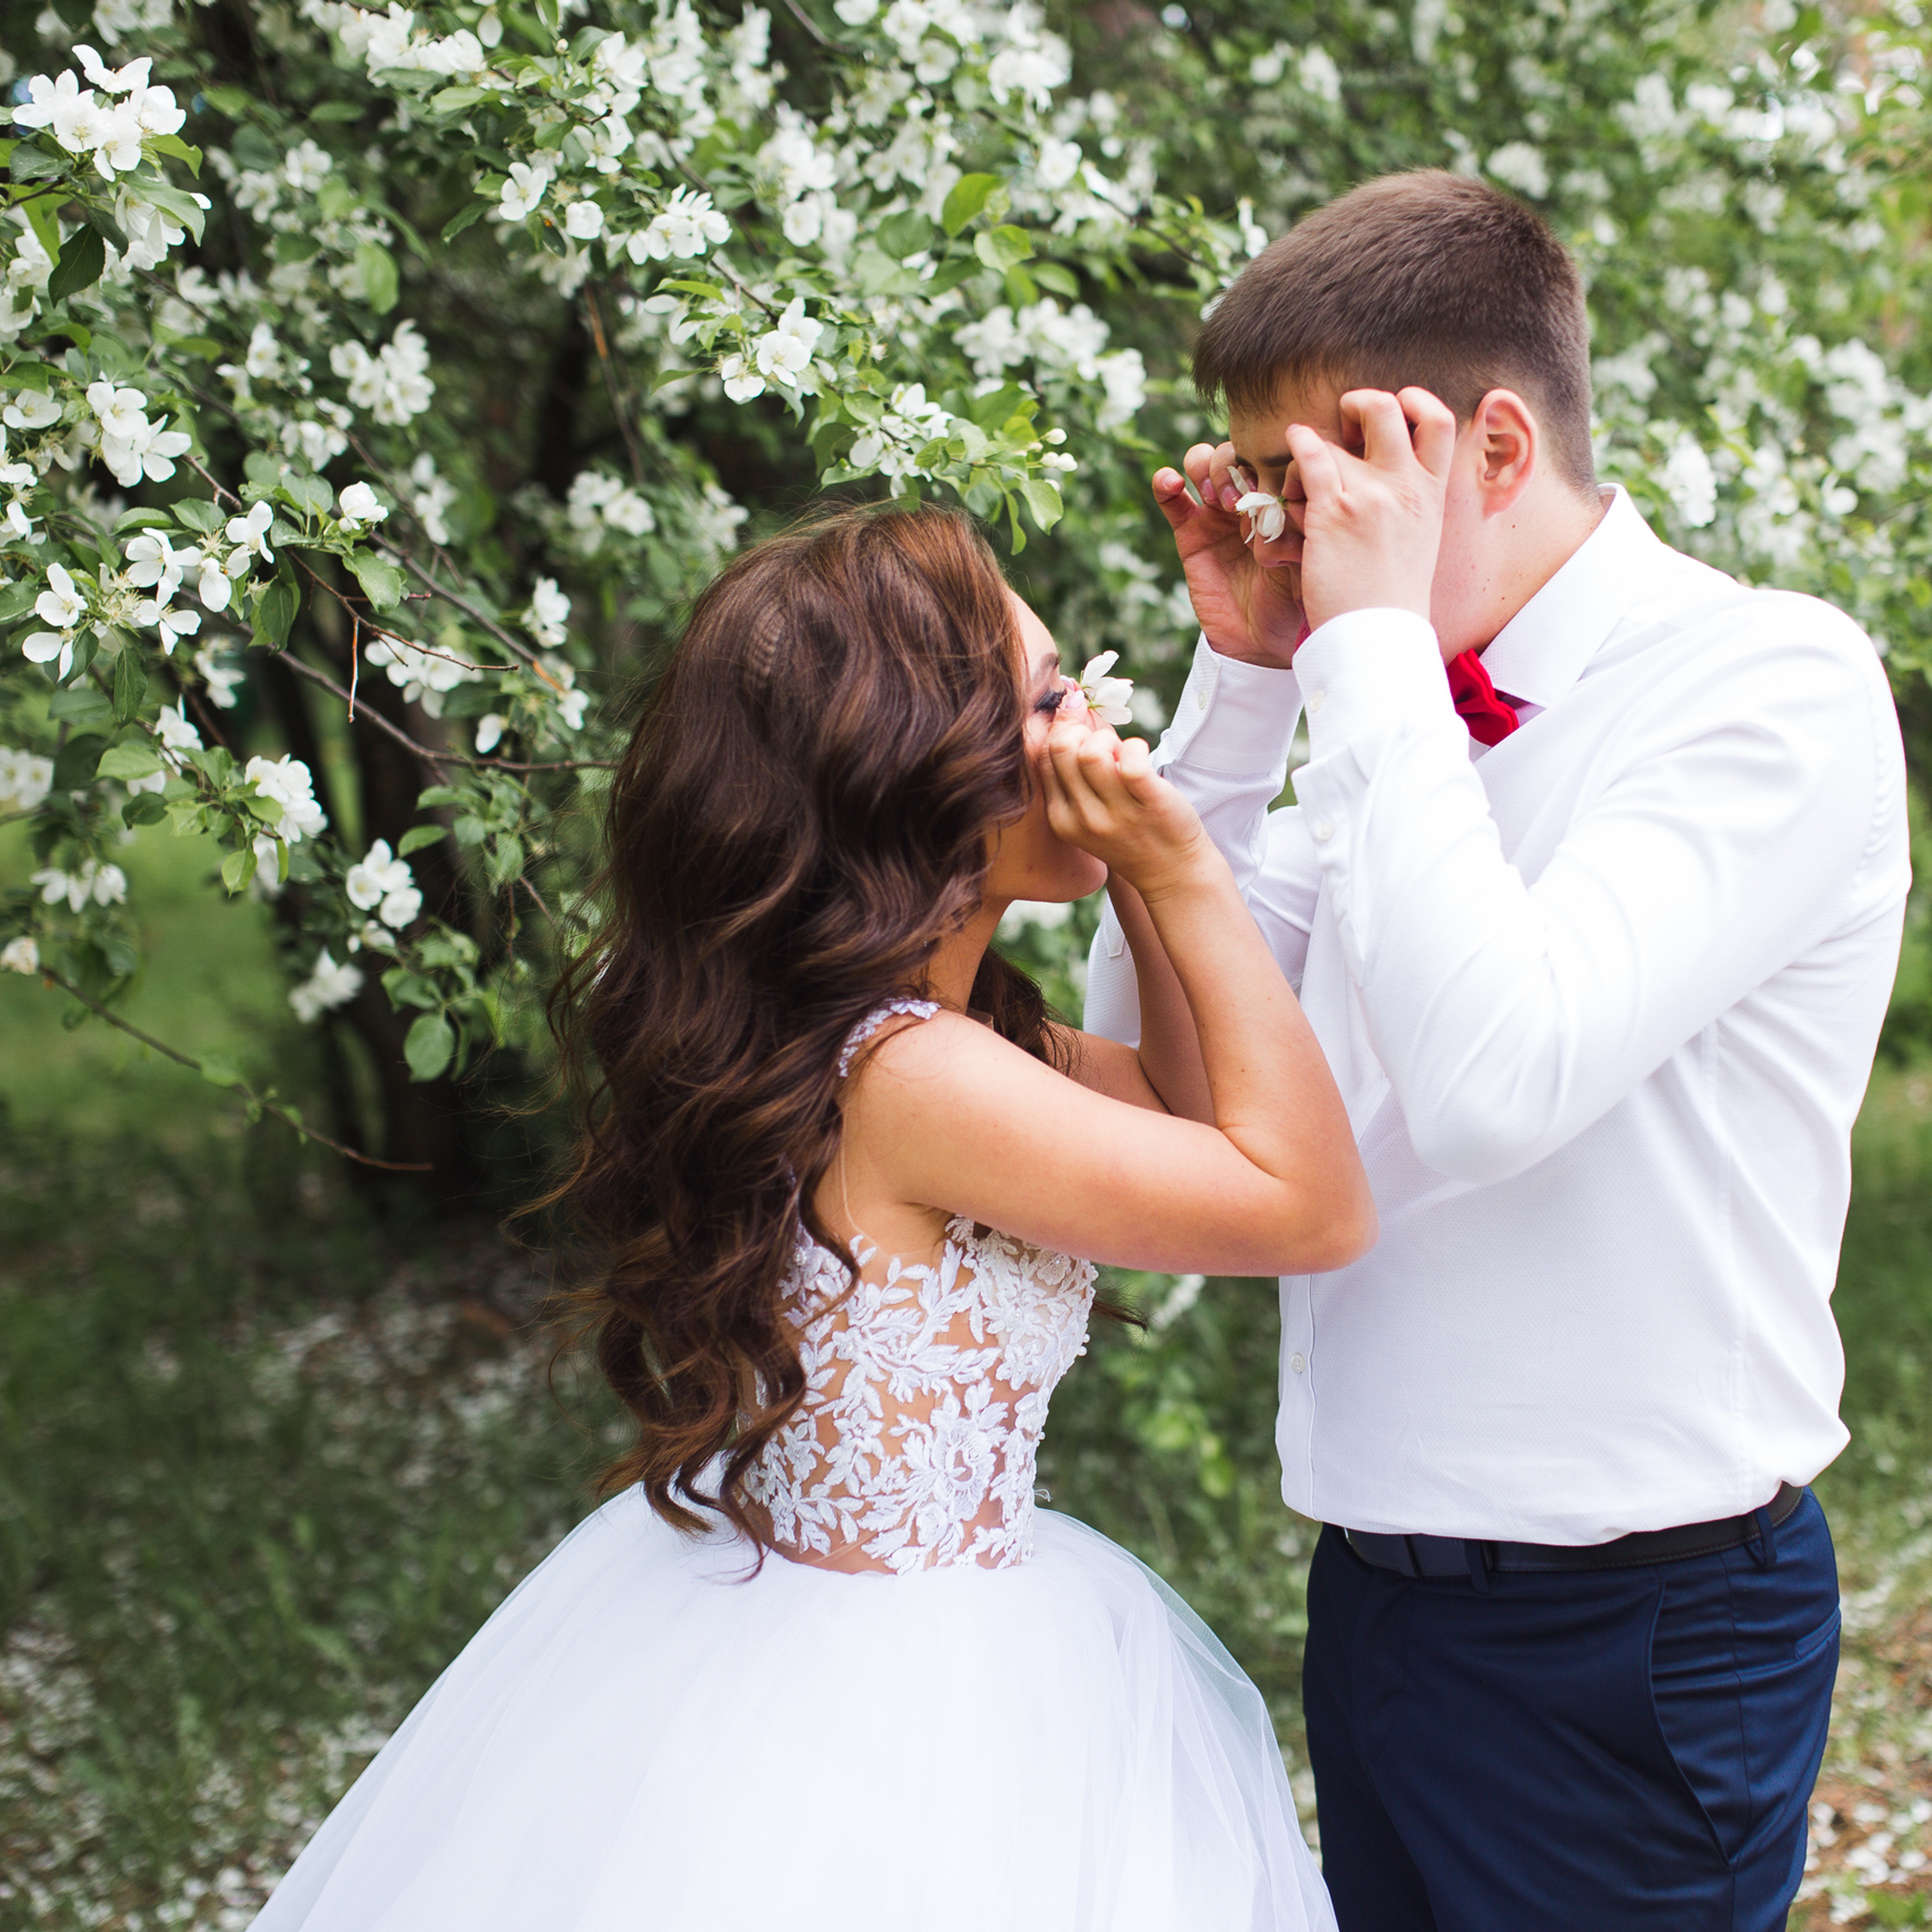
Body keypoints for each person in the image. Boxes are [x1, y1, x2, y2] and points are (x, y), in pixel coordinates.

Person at [248, 504, 1375, 1932]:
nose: (1089, 722)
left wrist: (1155, 873)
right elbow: (1313, 1203)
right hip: (897, 1707)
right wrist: (1183, 872)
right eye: (1043, 702)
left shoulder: (949, 1042)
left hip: (927, 1627)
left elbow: (1181, 1104)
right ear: (911, 769)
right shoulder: (913, 1075)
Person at [1085, 168, 1911, 1931]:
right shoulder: (1370, 709)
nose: (1290, 538)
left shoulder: (1765, 681)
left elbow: (1489, 1082)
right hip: (1376, 1601)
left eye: (1317, 483)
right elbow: (1153, 1100)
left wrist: (1364, 655)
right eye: (1267, 491)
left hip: (1638, 1639)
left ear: (1490, 450)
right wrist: (1241, 686)